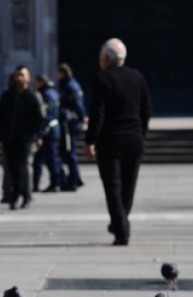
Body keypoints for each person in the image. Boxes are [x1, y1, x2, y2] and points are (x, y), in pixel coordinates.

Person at [85, 38, 151, 246]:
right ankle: (119, 222)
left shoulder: (102, 78)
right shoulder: (138, 77)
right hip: (134, 139)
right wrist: (141, 133)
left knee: (112, 187)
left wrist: (90, 140)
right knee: (128, 186)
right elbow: (146, 110)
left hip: (110, 141)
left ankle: (121, 230)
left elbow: (98, 113)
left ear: (105, 58)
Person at [0, 65, 44, 210]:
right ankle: (14, 194)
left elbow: (40, 117)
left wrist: (32, 134)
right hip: (9, 138)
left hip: (25, 139)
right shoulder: (8, 95)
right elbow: (0, 116)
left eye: (22, 75)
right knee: (11, 167)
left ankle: (24, 194)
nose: (19, 78)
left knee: (23, 167)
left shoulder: (33, 95)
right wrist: (2, 134)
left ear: (28, 78)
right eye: (17, 75)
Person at [32, 74, 65, 192]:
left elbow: (45, 116)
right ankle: (36, 183)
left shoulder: (44, 94)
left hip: (47, 132)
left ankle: (56, 183)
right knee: (40, 159)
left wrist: (40, 134)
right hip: (51, 130)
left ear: (40, 82)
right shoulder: (53, 92)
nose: (33, 84)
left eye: (35, 82)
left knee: (50, 159)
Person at [56, 63, 86, 191]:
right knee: (66, 151)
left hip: (70, 124)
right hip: (70, 123)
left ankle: (73, 181)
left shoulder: (69, 86)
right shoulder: (73, 84)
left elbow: (76, 104)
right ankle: (76, 178)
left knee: (68, 151)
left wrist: (83, 116)